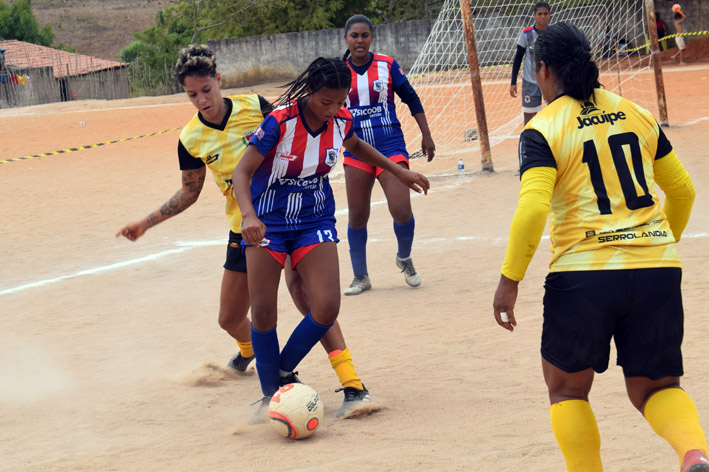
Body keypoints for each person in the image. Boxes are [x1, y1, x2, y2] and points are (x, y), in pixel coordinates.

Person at [116, 45, 376, 420]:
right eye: (192, 95)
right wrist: (146, 221)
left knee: (311, 299)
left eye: (206, 89)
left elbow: (303, 131)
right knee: (230, 317)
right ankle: (256, 353)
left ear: (218, 81)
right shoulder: (190, 138)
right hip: (245, 230)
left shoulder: (257, 107)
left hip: (292, 219)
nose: (202, 100)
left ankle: (351, 383)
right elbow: (190, 192)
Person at [492, 22, 708, 472]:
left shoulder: (544, 128)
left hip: (584, 274)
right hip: (657, 267)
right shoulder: (636, 113)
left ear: (543, 69)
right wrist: (658, 246)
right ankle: (693, 455)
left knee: (567, 390)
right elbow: (683, 190)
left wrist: (509, 280)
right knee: (657, 387)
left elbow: (533, 210)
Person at [232, 57, 429, 423]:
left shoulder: (341, 120)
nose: (333, 110)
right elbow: (241, 172)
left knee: (326, 306)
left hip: (314, 219)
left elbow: (356, 145)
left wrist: (398, 170)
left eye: (340, 102)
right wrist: (248, 216)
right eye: (326, 102)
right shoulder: (280, 122)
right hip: (268, 223)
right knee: (262, 312)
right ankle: (269, 395)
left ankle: (280, 371)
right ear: (310, 92)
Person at [340, 14, 436, 296]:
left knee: (402, 209)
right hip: (356, 150)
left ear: (372, 38)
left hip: (391, 146)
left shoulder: (388, 65)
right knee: (357, 215)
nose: (359, 40)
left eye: (364, 35)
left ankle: (404, 258)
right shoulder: (338, 71)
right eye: (354, 36)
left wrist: (426, 134)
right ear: (346, 39)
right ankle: (361, 276)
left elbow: (411, 98)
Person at [510, 2, 551, 127]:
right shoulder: (526, 33)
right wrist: (513, 82)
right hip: (530, 82)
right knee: (529, 119)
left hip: (549, 81)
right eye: (539, 14)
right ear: (534, 15)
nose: (542, 17)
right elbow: (518, 57)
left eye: (545, 14)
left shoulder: (553, 33)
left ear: (549, 15)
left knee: (556, 113)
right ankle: (529, 144)